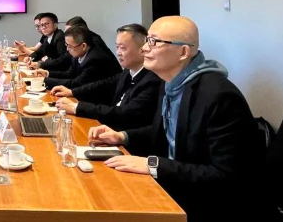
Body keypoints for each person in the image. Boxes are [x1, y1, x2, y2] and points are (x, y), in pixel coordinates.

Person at [87, 16, 272, 222]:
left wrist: (153, 164)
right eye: (147, 40)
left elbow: (226, 175)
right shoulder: (170, 82)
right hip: (177, 186)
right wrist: (122, 136)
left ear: (183, 52)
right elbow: (165, 130)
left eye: (154, 42)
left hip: (213, 205)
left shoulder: (219, 96)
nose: (144, 48)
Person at [51, 23, 161, 130]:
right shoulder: (127, 71)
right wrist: (72, 92)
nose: (118, 52)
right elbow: (103, 83)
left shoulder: (152, 80)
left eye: (123, 48)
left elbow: (124, 113)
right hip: (110, 126)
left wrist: (77, 107)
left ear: (143, 48)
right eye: (117, 47)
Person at [39, 26, 121, 89]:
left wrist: (45, 80)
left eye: (69, 46)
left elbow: (77, 83)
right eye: (66, 45)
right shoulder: (78, 51)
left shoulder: (94, 59)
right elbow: (70, 74)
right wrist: (47, 73)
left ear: (83, 46)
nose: (67, 49)